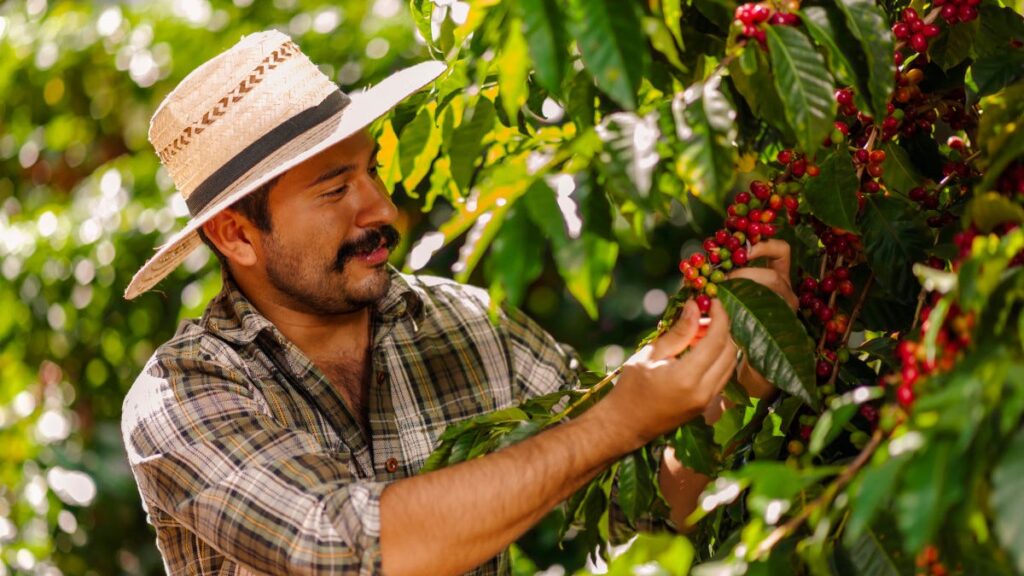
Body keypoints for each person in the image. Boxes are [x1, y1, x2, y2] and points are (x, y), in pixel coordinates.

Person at [120, 30, 795, 575]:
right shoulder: (185, 395)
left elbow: (631, 509)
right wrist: (621, 417)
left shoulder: (467, 324)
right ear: (237, 234)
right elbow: (343, 549)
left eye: (373, 172)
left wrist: (730, 385)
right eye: (333, 190)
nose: (380, 209)